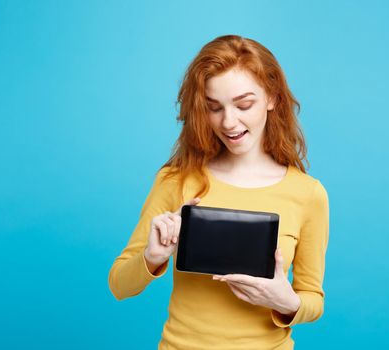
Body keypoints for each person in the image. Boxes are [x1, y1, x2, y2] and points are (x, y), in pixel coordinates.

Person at [108, 34, 329, 350]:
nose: (228, 122)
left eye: (244, 104)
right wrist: (153, 256)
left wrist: (287, 301)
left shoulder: (308, 194)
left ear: (272, 98)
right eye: (214, 108)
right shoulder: (176, 180)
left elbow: (313, 300)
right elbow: (119, 285)